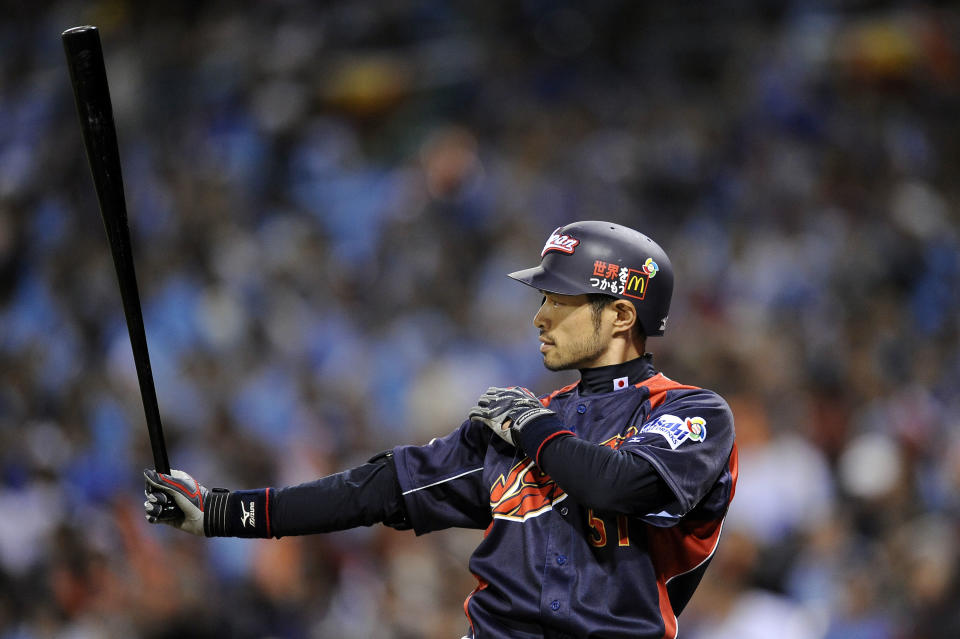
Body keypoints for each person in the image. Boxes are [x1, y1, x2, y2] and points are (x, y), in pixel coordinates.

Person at [144, 221, 738, 639]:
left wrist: (534, 427)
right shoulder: (514, 423)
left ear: (622, 314)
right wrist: (221, 512)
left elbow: (619, 485)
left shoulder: (690, 414)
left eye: (559, 298)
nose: (540, 314)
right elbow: (378, 489)